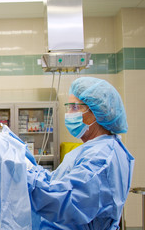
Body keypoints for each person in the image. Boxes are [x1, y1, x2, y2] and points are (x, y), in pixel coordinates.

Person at [25, 77, 134, 229]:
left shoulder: (101, 157)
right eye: (68, 107)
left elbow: (63, 201)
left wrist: (24, 176)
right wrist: (29, 167)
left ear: (97, 111)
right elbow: (59, 183)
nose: (68, 114)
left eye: (75, 107)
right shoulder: (97, 148)